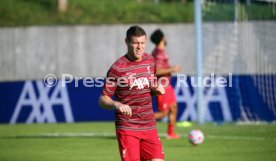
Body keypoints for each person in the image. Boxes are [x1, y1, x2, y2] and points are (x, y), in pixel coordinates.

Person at [99, 26, 165, 161]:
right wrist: (116, 104)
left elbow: (149, 86)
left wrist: (156, 89)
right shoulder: (117, 68)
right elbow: (103, 99)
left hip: (149, 125)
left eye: (142, 43)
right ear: (127, 42)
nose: (139, 47)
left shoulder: (150, 61)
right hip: (128, 127)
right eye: (135, 43)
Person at [150, 29, 181, 139]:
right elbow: (156, 71)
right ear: (162, 38)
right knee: (163, 113)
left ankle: (170, 133)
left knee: (173, 108)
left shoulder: (161, 51)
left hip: (168, 85)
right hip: (161, 86)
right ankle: (139, 120)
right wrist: (172, 69)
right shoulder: (158, 53)